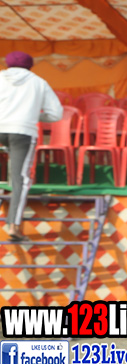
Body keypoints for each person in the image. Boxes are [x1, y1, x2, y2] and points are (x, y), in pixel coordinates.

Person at [0, 51, 63, 241]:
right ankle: (13, 226)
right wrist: (34, 115)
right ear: (30, 65)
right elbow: (56, 113)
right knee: (21, 179)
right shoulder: (38, 82)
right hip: (23, 131)